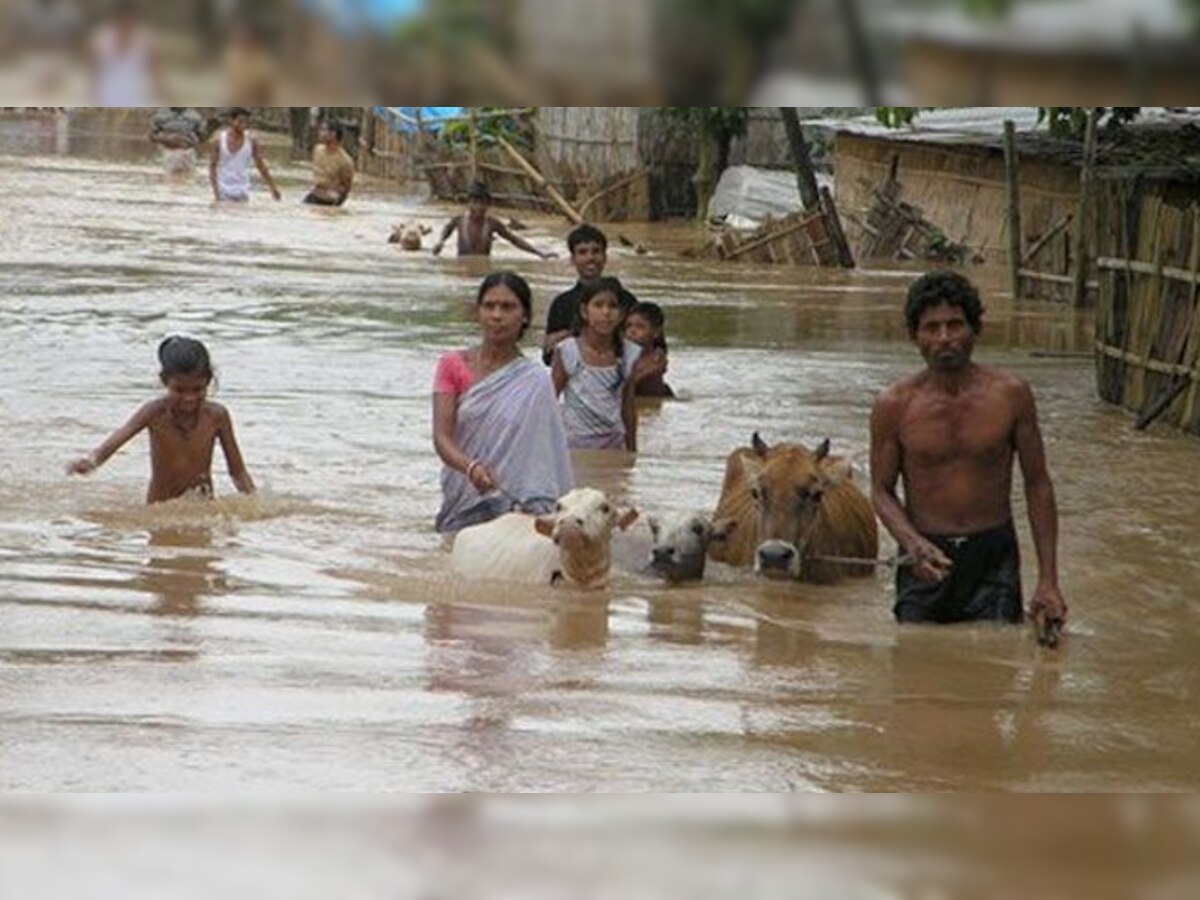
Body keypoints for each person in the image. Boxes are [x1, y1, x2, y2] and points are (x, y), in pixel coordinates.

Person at [869, 271, 1068, 628]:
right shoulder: (893, 405)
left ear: (975, 329)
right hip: (923, 557)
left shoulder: (1011, 396)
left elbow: (1038, 484)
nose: (944, 338)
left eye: (955, 325)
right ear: (915, 336)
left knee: (995, 669)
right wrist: (910, 542)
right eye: (931, 328)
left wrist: (1049, 581)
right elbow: (881, 490)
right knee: (915, 667)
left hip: (993, 557)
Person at [433, 272, 574, 533]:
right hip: (464, 499)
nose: (497, 315)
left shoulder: (536, 382)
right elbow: (442, 437)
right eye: (489, 306)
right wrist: (470, 467)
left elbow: (545, 456)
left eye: (508, 307)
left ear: (525, 317)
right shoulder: (452, 365)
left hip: (518, 508)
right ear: (478, 312)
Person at [67, 336, 255, 504]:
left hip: (202, 507)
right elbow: (121, 436)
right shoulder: (154, 413)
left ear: (208, 382)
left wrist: (255, 504)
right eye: (180, 390)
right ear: (165, 381)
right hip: (160, 509)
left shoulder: (217, 416)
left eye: (198, 389)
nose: (189, 398)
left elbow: (237, 471)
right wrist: (92, 461)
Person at [550, 277, 664, 452]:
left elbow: (628, 406)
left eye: (612, 306)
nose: (606, 312)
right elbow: (550, 400)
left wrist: (632, 452)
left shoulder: (629, 353)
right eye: (598, 305)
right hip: (574, 444)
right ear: (584, 311)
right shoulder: (568, 351)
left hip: (614, 443)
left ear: (620, 314)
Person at [541, 223, 638, 365]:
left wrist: (570, 335)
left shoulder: (626, 299)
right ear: (572, 260)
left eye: (596, 251)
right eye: (582, 252)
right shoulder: (562, 303)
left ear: (605, 257)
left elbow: (642, 343)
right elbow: (548, 356)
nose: (590, 258)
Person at [431, 182, 555, 260]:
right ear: (469, 203)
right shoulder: (459, 220)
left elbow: (514, 240)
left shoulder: (492, 223)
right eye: (475, 202)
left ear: (488, 205)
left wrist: (539, 253)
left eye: (482, 203)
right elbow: (447, 228)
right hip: (462, 269)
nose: (478, 207)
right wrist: (440, 242)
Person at [208, 107, 281, 203]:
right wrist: (215, 193)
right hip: (223, 190)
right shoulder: (218, 141)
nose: (244, 125)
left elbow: (261, 165)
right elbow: (212, 167)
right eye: (240, 121)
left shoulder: (251, 141)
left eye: (246, 122)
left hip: (243, 191)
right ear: (231, 120)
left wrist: (273, 187)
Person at [623, 301, 674, 399]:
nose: (632, 331)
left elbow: (627, 386)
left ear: (656, 332)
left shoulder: (656, 358)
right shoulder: (623, 354)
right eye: (628, 326)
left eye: (640, 327)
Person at [303, 119, 355, 207]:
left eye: (324, 130)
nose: (320, 133)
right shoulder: (317, 150)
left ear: (333, 134)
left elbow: (346, 188)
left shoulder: (345, 161)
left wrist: (335, 204)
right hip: (314, 194)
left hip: (330, 200)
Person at [149, 106, 206, 175]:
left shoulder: (195, 116)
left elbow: (202, 137)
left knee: (188, 179)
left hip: (187, 152)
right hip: (168, 152)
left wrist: (189, 140)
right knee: (170, 180)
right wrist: (167, 139)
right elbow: (152, 136)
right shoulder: (160, 115)